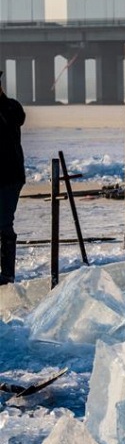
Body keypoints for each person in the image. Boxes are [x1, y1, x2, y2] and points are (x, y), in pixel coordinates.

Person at [0, 72, 26, 285]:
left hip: (10, 176)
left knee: (4, 223)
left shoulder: (10, 108)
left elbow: (18, 119)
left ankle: (7, 274)